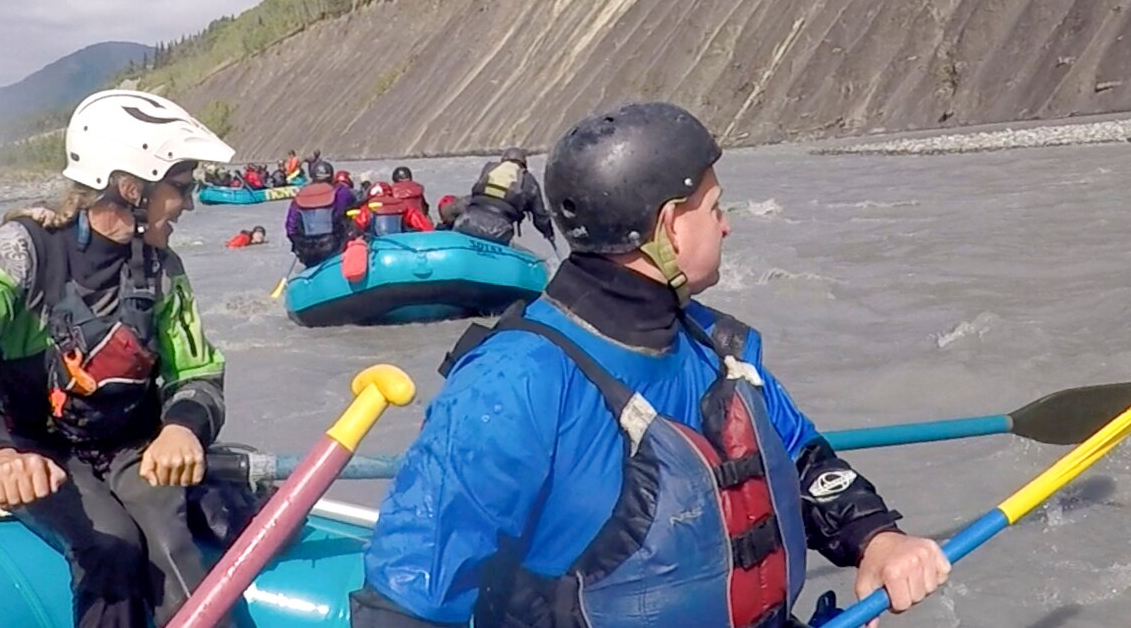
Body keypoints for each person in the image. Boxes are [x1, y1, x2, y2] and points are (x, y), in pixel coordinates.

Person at [352, 102, 950, 628]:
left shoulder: (720, 345)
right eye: (714, 207)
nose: (727, 224)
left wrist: (876, 537)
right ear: (666, 227)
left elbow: (801, 458)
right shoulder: (512, 382)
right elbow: (407, 603)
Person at [0, 89, 233, 628]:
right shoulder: (20, 252)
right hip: (37, 454)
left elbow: (197, 370)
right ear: (132, 187)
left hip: (131, 446)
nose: (188, 204)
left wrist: (184, 427)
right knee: (113, 548)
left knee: (174, 550)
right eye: (181, 187)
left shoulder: (163, 270)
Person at [451, 145, 556, 249]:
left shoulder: (489, 169)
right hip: (499, 232)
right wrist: (549, 234)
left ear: (503, 159)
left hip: (466, 221)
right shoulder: (528, 180)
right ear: (523, 164)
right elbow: (540, 216)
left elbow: (476, 196)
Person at [283, 160, 356, 268]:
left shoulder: (301, 195)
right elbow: (353, 202)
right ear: (331, 176)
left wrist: (298, 246)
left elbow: (290, 229)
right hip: (335, 247)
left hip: (307, 251)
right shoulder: (341, 192)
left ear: (312, 176)